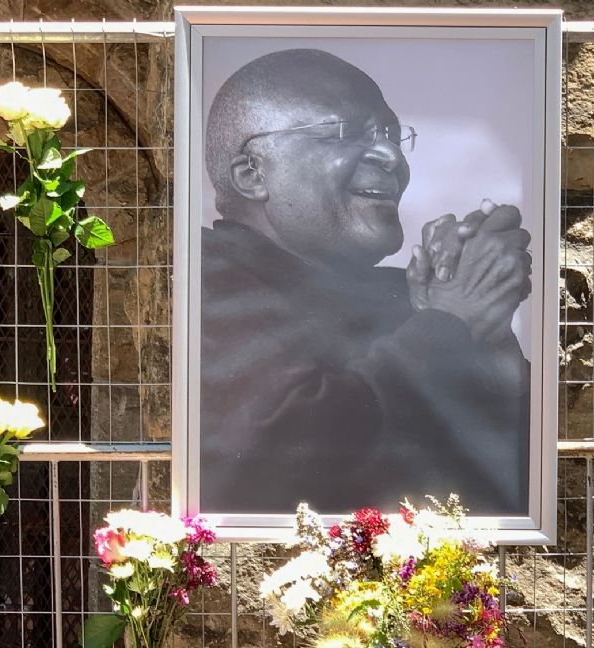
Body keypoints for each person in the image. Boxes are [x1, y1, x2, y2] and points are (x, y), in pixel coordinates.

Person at [200, 48, 533, 515]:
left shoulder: (403, 296)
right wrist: (449, 322)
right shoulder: (204, 277)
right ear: (252, 174)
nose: (391, 156)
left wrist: (490, 340)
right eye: (345, 133)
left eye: (393, 136)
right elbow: (276, 457)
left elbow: (509, 488)